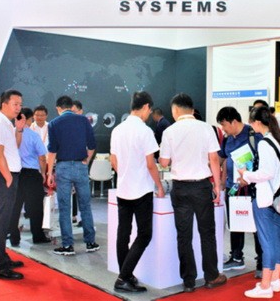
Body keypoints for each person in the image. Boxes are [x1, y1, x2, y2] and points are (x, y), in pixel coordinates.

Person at [159, 93, 227, 293]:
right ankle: (211, 276)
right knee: (207, 233)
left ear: (175, 110)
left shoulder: (169, 131)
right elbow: (214, 160)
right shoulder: (206, 128)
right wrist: (216, 186)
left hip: (180, 188)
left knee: (184, 235)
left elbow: (164, 162)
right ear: (192, 109)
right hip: (201, 187)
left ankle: (188, 281)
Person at [110, 91, 165, 293]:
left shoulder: (118, 130)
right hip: (142, 190)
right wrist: (159, 186)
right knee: (144, 234)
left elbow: (113, 161)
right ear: (146, 107)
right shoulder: (145, 131)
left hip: (123, 189)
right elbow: (151, 164)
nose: (149, 114)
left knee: (123, 234)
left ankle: (126, 275)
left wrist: (126, 174)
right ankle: (124, 277)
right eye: (149, 110)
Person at [238, 106, 280, 299]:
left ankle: (266, 285)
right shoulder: (278, 140)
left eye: (251, 122)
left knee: (267, 242)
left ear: (257, 122)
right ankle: (275, 279)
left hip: (266, 198)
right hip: (279, 198)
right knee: (277, 238)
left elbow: (266, 173)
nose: (250, 126)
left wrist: (246, 174)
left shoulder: (265, 143)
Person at [46, 95, 99, 255]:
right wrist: (86, 161)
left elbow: (52, 150)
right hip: (80, 166)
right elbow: (92, 145)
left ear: (58, 108)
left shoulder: (54, 123)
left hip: (62, 167)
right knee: (85, 206)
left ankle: (68, 245)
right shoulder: (84, 120)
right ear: (71, 106)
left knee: (64, 207)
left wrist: (49, 173)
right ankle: (90, 242)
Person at [216, 106, 263, 278]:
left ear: (234, 121)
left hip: (252, 188)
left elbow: (263, 161)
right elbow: (221, 158)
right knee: (235, 222)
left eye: (224, 125)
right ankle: (236, 256)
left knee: (256, 225)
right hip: (233, 187)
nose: (223, 129)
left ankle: (262, 261)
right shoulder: (227, 139)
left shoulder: (254, 136)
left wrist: (249, 177)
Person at [0, 89, 26, 280]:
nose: (18, 108)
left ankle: (3, 258)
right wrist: (8, 177)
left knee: (5, 220)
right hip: (4, 177)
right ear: (4, 104)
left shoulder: (7, 124)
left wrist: (19, 129)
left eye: (20, 104)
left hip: (9, 175)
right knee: (1, 222)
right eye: (15, 104)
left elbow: (14, 147)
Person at [8, 107, 51, 246]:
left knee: (15, 206)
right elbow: (42, 157)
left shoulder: (11, 133)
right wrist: (43, 173)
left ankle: (14, 237)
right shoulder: (33, 135)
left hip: (15, 173)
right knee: (35, 207)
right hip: (32, 174)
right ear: (29, 118)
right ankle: (37, 236)